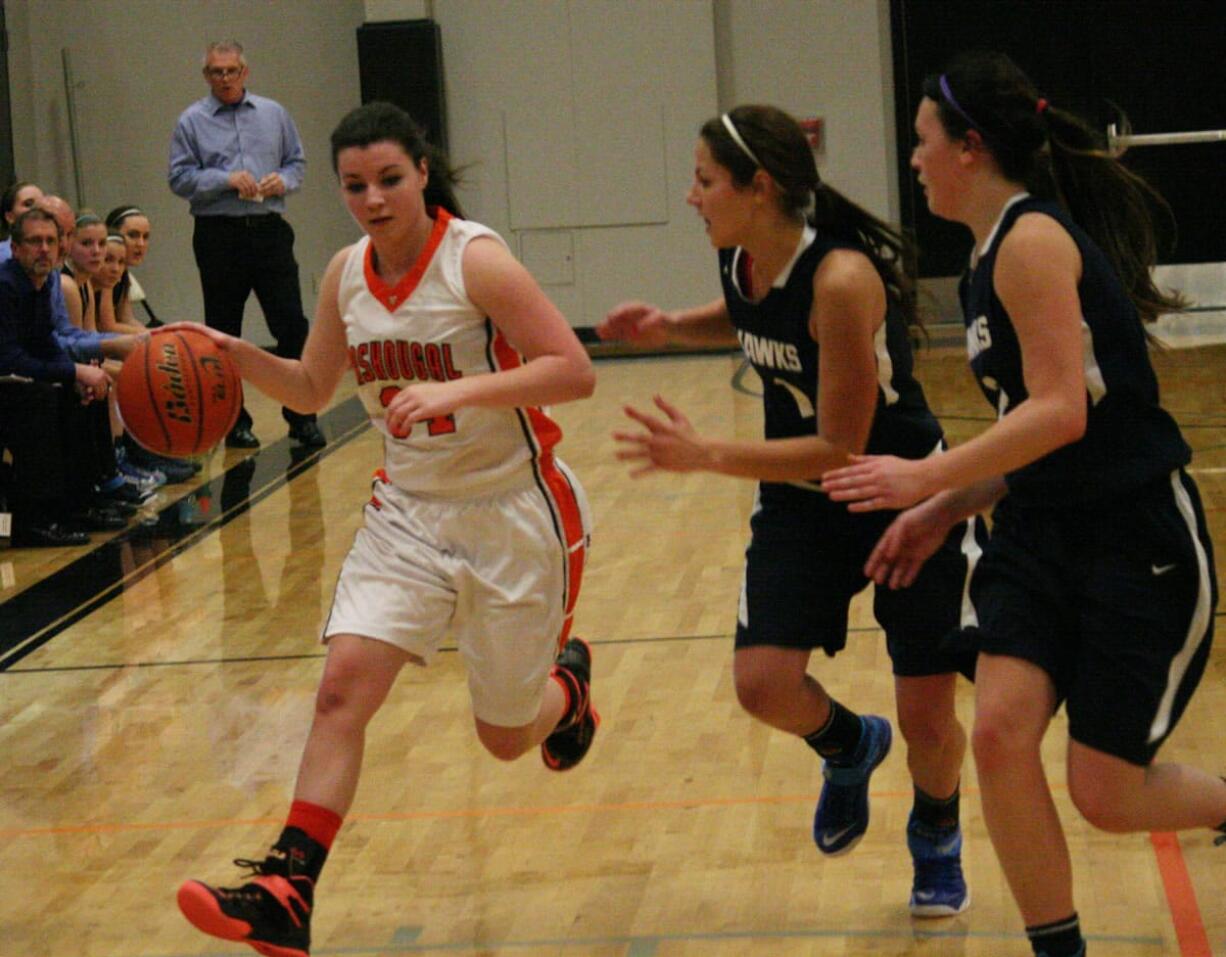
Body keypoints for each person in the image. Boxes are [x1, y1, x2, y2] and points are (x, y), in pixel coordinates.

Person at [821, 52, 1226, 957]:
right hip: (1040, 534)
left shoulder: (1033, 239)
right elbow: (1030, 432)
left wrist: (922, 478)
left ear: (970, 147)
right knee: (1001, 735)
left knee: (1106, 792)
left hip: (1134, 532)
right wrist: (942, 510)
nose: (913, 159)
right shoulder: (984, 256)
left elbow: (1063, 412)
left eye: (924, 141)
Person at [175, 101, 598, 957]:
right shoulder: (345, 273)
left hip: (511, 510)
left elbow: (574, 370)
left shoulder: (475, 261)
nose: (373, 199)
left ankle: (569, 694)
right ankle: (288, 889)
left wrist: (456, 391)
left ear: (423, 174)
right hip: (405, 512)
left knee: (506, 735)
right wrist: (232, 350)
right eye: (354, 185)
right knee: (340, 691)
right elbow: (308, 386)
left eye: (389, 180)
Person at [598, 104, 983, 916]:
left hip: (902, 493)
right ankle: (849, 745)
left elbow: (841, 446)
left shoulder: (841, 279)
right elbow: (753, 323)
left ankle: (937, 829)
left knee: (927, 710)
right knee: (763, 682)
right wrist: (671, 327)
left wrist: (705, 453)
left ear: (759, 187)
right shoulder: (741, 256)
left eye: (705, 181)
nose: (692, 196)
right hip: (801, 505)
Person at [167, 39, 325, 450]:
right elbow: (179, 179)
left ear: (244, 72)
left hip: (268, 229)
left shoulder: (273, 114)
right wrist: (224, 178)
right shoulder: (191, 121)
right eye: (216, 72)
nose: (224, 79)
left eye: (231, 71)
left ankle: (302, 415)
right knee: (223, 330)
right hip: (219, 233)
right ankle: (235, 420)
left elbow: (297, 163)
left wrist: (283, 181)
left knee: (291, 323)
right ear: (206, 76)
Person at [0, 208, 142, 545]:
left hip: (11, 376)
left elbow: (44, 340)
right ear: (17, 248)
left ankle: (78, 500)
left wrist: (77, 376)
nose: (45, 249)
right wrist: (72, 369)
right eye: (35, 242)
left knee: (75, 392)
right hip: (6, 378)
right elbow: (8, 357)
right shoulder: (5, 286)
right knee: (40, 401)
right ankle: (32, 519)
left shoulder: (42, 280)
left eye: (50, 241)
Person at [105, 205, 161, 328]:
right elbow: (107, 328)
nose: (140, 244)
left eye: (145, 237)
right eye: (133, 235)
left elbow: (126, 319)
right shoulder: (105, 274)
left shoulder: (123, 273)